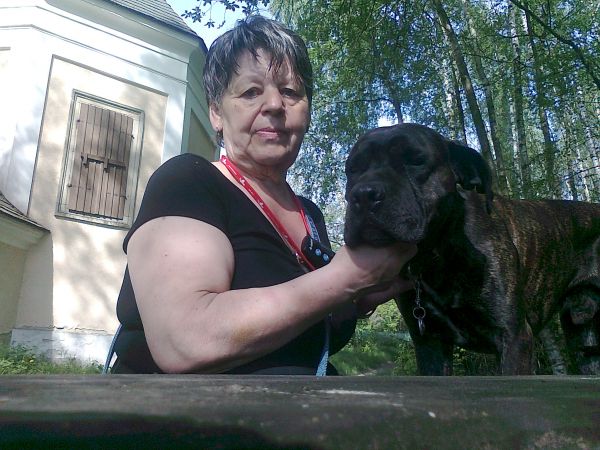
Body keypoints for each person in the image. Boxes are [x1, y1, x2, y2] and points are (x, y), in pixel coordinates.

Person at [110, 15, 416, 375]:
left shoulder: (309, 215)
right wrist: (346, 279)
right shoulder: (187, 183)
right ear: (216, 113)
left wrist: (362, 293)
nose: (274, 104)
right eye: (251, 92)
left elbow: (305, 318)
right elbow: (186, 340)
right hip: (183, 411)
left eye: (290, 92)